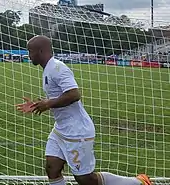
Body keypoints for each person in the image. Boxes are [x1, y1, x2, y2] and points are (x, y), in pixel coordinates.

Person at [16, 35, 152, 185]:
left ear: (40, 51)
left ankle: (138, 182)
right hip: (61, 130)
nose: (28, 55)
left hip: (76, 131)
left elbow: (74, 94)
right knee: (52, 167)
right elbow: (58, 97)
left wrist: (47, 104)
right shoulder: (48, 69)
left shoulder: (57, 68)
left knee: (86, 179)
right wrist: (38, 104)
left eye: (30, 51)